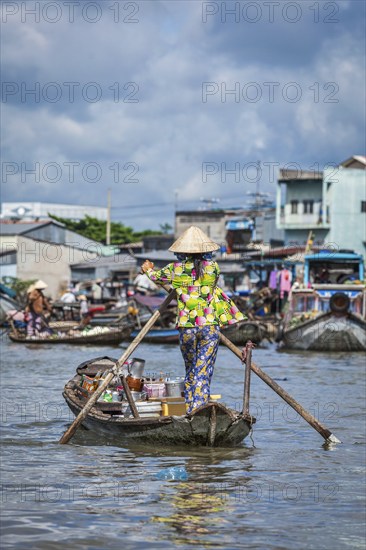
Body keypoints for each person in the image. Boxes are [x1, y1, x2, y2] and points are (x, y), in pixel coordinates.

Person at [141, 226, 246, 415]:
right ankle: (199, 409)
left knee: (191, 370)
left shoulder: (175, 269)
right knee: (203, 371)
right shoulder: (213, 267)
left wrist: (148, 270)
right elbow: (204, 279)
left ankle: (192, 410)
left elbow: (157, 278)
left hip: (187, 328)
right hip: (209, 327)